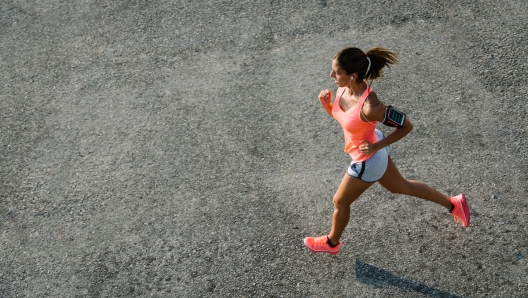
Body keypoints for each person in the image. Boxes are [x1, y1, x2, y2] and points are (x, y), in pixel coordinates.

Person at [304, 47, 470, 255]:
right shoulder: (343, 89)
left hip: (368, 160)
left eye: (336, 72)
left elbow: (407, 126)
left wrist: (376, 147)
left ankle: (331, 243)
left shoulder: (371, 106)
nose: (331, 75)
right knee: (402, 186)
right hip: (371, 151)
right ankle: (454, 204)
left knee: (340, 201)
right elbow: (345, 121)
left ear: (352, 75)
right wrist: (326, 105)